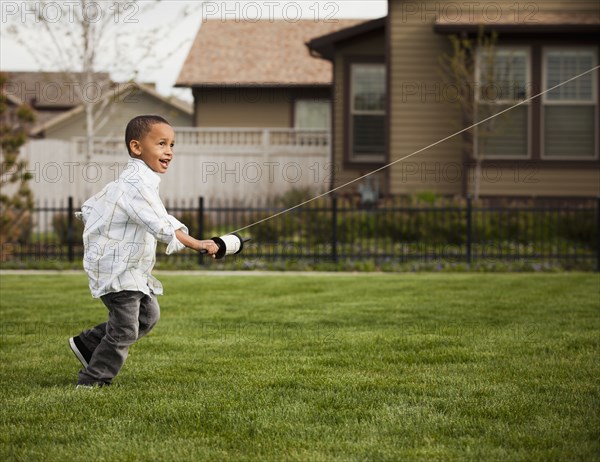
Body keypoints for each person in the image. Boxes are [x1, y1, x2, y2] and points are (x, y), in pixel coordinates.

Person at [69, 114, 218, 388]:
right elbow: (159, 223)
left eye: (172, 144)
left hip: (132, 268)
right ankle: (93, 379)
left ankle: (88, 342)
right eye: (162, 143)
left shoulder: (145, 183)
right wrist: (196, 243)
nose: (169, 151)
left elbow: (162, 218)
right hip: (117, 268)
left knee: (148, 317)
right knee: (125, 328)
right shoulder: (135, 184)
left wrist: (196, 240)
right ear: (137, 147)